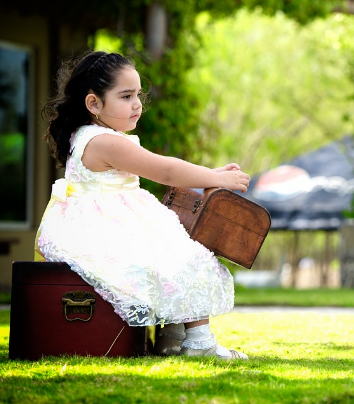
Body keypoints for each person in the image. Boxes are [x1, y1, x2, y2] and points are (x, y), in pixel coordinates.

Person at [36, 50, 250, 360]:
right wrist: (214, 179)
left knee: (174, 254)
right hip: (101, 227)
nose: (137, 104)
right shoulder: (104, 141)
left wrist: (213, 174)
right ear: (94, 103)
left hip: (106, 220)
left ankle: (173, 337)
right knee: (185, 256)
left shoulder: (94, 135)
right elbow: (163, 170)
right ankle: (198, 342)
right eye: (125, 96)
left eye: (138, 94)